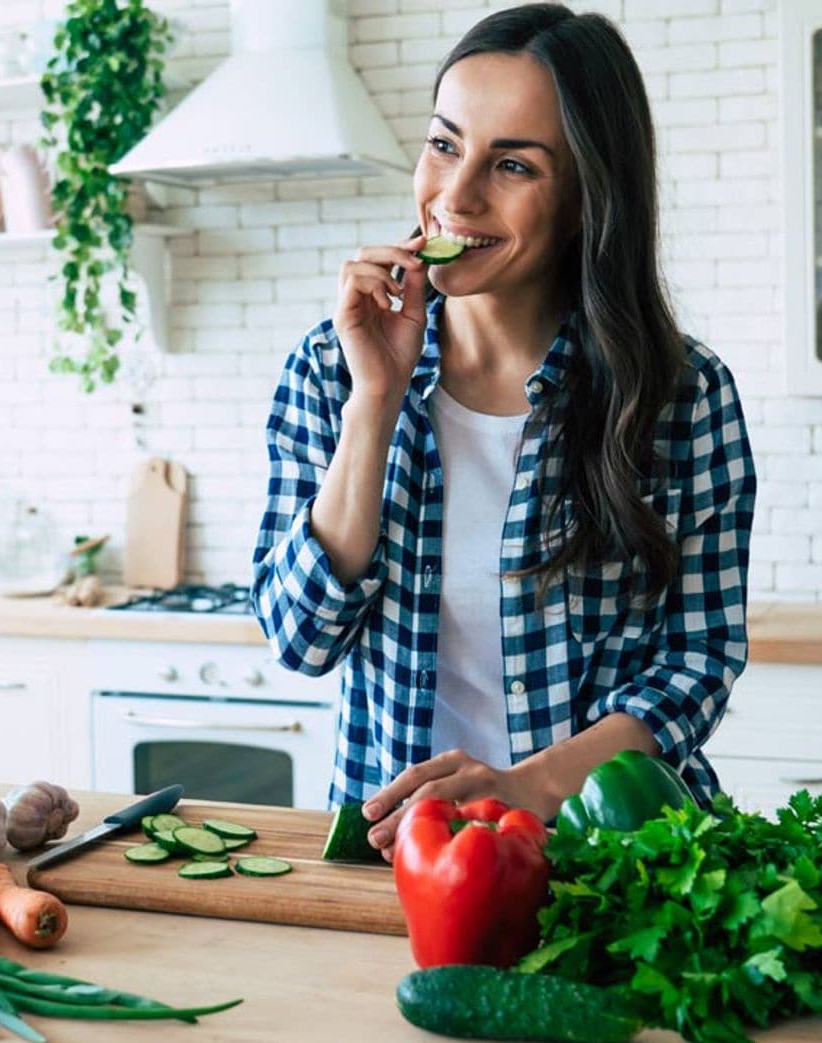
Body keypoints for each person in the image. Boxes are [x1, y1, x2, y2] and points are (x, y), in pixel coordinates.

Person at [252, 3, 755, 860]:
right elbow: (300, 638)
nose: (455, 195)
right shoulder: (334, 364)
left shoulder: (679, 394)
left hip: (613, 856)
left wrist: (530, 789)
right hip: (399, 853)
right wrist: (375, 401)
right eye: (444, 144)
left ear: (586, 198)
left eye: (513, 164)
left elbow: (696, 663)